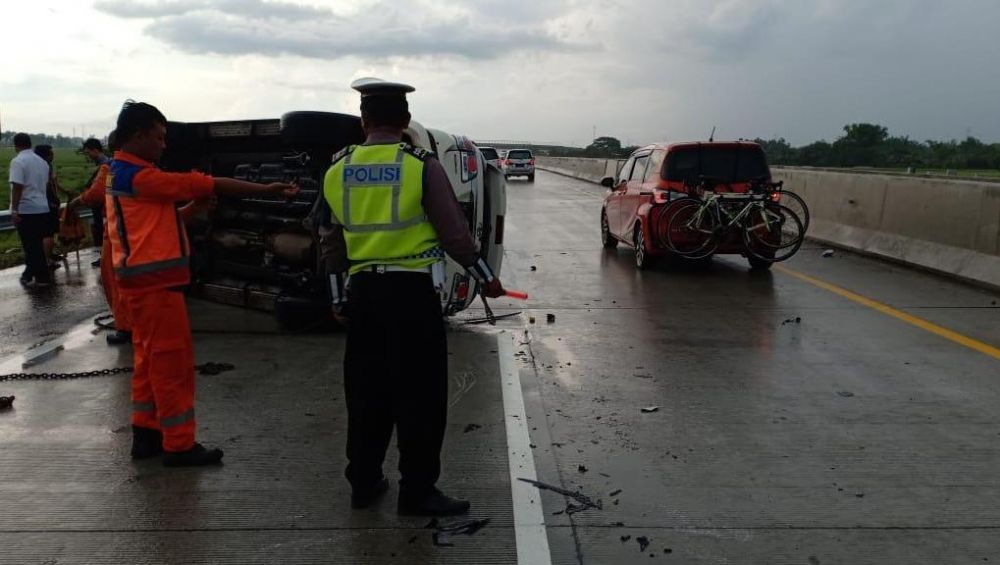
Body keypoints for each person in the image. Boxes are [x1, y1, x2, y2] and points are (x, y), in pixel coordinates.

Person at [323, 78, 506, 516]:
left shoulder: (337, 167)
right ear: (405, 120)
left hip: (363, 294)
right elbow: (455, 235)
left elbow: (329, 241)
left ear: (363, 121)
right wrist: (485, 277)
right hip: (410, 295)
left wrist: (336, 298)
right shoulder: (419, 165)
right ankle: (418, 490)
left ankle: (364, 483)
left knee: (366, 392)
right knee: (419, 396)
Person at [106, 100, 299, 466]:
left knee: (148, 363)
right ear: (138, 135)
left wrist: (190, 211)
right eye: (159, 138)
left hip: (141, 287)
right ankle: (179, 445)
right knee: (173, 366)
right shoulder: (142, 176)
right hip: (156, 287)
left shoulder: (120, 174)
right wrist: (268, 189)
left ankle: (145, 435)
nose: (164, 146)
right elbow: (205, 183)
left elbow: (152, 222)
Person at [68, 131, 133, 345]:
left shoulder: (111, 168)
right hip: (134, 230)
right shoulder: (145, 169)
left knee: (114, 280)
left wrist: (77, 201)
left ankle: (125, 327)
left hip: (117, 230)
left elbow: (97, 194)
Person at [7, 133, 54, 287]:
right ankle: (31, 274)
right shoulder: (42, 162)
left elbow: (17, 187)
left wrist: (14, 210)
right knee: (37, 244)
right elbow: (45, 185)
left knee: (31, 246)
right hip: (42, 207)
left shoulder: (18, 161)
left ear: (16, 145)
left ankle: (41, 277)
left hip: (26, 209)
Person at [32, 144, 64, 269]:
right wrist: (53, 200)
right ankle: (47, 260)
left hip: (39, 203)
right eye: (51, 153)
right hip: (47, 202)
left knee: (44, 233)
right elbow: (48, 186)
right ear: (45, 155)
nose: (53, 155)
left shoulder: (37, 166)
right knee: (48, 233)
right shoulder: (45, 167)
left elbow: (54, 183)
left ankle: (46, 257)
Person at [82, 137, 109, 267]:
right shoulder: (102, 163)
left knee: (102, 231)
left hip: (102, 205)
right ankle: (104, 257)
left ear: (95, 150)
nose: (88, 156)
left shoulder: (105, 164)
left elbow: (103, 187)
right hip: (100, 204)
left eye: (88, 153)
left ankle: (105, 258)